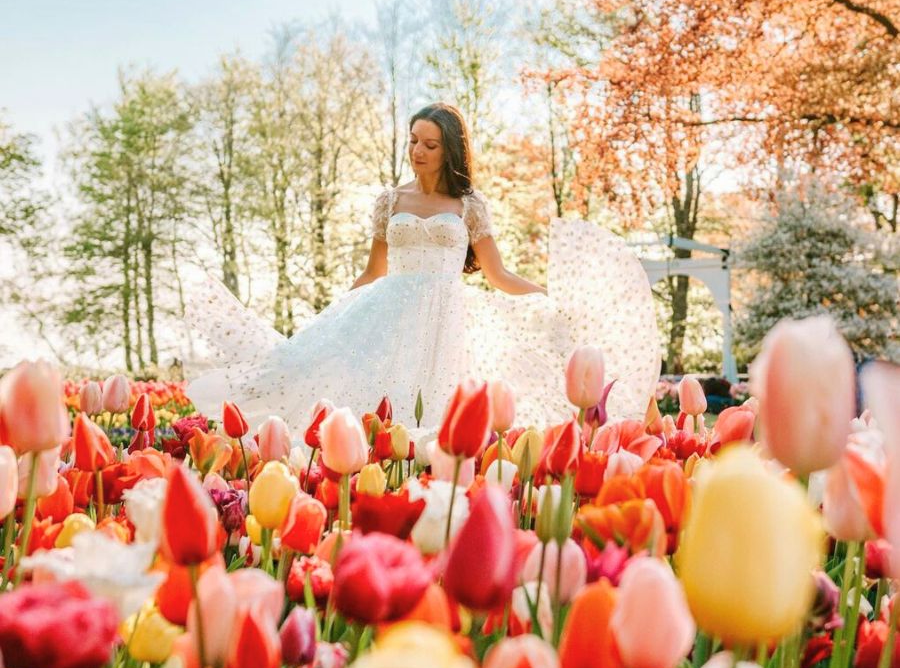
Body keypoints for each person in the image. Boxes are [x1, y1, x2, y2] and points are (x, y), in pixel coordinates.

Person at [186, 103, 660, 432]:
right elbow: (373, 272)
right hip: (388, 315)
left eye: (430, 144)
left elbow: (498, 276)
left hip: (449, 323)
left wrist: (550, 299)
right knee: (373, 406)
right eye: (413, 140)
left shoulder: (469, 205)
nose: (417, 151)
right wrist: (328, 320)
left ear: (449, 150)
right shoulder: (389, 201)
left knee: (442, 411)